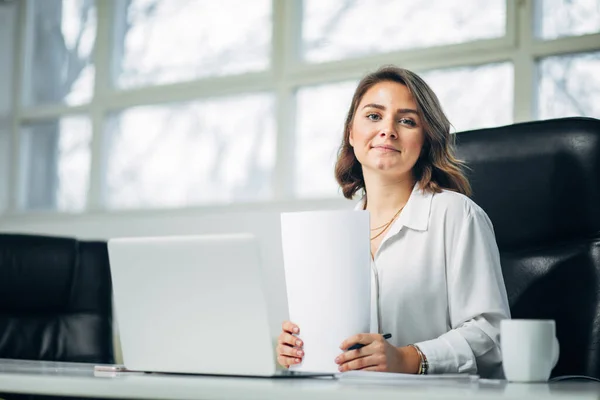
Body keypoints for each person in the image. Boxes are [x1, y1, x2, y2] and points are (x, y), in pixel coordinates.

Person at [276, 66, 510, 378]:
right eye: (374, 116)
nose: (388, 130)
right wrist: (297, 350)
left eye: (407, 121)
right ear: (351, 133)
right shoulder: (332, 237)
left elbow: (492, 337)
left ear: (425, 141)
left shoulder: (455, 214)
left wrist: (408, 359)